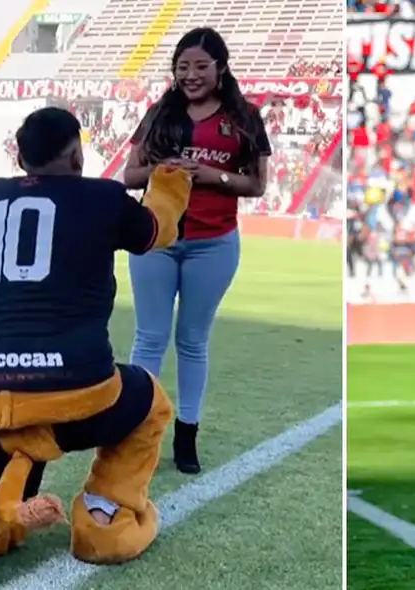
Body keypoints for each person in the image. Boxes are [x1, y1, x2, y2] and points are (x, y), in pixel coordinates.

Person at [0, 107, 191, 588]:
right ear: (77, 153)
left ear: (20, 156)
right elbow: (158, 229)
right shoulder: (103, 197)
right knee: (149, 403)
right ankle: (103, 517)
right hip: (73, 397)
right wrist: (169, 181)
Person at [123, 27, 271, 474]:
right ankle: (134, 431)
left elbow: (257, 185)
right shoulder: (159, 114)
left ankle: (186, 434)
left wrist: (211, 175)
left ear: (220, 68)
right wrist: (162, 169)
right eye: (183, 66)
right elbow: (130, 176)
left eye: (200, 66)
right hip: (156, 237)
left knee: (192, 340)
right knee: (148, 337)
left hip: (213, 242)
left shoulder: (245, 117)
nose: (190, 75)